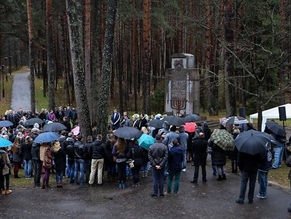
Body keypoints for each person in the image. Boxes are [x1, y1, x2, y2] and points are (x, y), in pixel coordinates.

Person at [148, 134, 168, 198]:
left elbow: (150, 157)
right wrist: (161, 164)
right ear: (161, 139)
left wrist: (154, 164)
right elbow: (166, 156)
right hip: (162, 164)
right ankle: (161, 193)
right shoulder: (164, 147)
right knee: (161, 179)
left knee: (155, 179)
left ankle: (155, 193)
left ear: (155, 138)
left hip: (155, 165)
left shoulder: (151, 147)